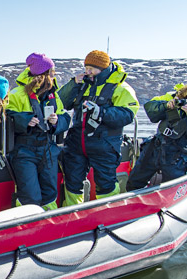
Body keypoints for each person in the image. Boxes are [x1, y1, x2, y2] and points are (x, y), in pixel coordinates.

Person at [58, 50, 139, 206]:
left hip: (104, 144)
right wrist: (73, 84)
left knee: (106, 183)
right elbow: (61, 102)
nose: (88, 72)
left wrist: (102, 112)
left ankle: (109, 214)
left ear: (103, 68)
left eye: (92, 69)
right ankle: (72, 214)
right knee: (72, 182)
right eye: (86, 67)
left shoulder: (121, 88)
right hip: (76, 143)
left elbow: (127, 114)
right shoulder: (82, 84)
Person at [126, 68, 187, 190]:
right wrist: (165, 106)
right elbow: (150, 107)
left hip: (179, 157)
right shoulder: (174, 95)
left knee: (171, 189)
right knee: (134, 182)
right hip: (155, 148)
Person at [6, 53, 70, 210]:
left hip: (48, 149)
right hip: (24, 151)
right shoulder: (17, 94)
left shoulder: (53, 95)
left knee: (50, 193)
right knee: (30, 195)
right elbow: (5, 116)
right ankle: (27, 226)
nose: (54, 75)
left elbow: (65, 118)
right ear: (45, 74)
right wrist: (25, 119)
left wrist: (57, 121)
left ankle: (49, 226)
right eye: (52, 72)